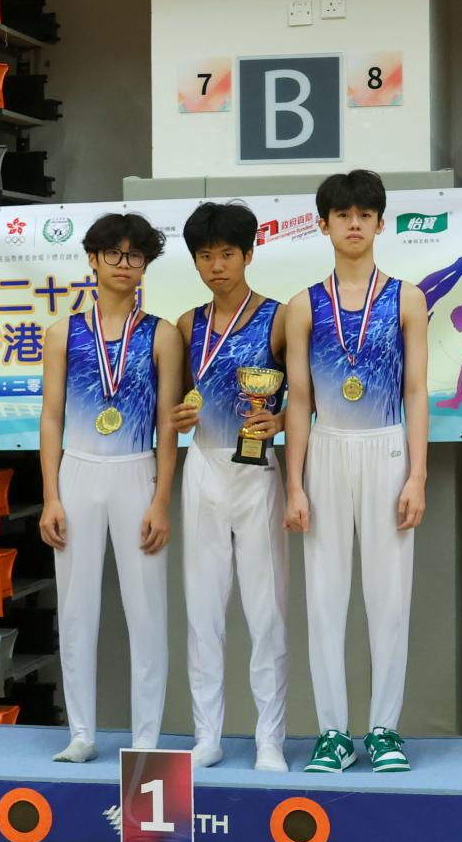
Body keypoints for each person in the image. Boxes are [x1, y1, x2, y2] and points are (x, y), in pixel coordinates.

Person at [282, 170, 429, 774]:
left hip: (387, 446)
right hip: (327, 448)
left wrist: (417, 475)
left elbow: (416, 391)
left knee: (389, 597)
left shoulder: (407, 298)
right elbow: (297, 399)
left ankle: (384, 728)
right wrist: (294, 483)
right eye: (342, 215)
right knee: (324, 596)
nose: (354, 224)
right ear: (323, 225)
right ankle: (333, 733)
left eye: (365, 214)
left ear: (380, 223)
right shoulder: (303, 305)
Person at [38, 213, 180, 762]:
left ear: (146, 264)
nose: (124, 264)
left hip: (136, 470)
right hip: (77, 470)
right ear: (93, 259)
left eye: (135, 255)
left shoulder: (162, 334)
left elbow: (168, 422)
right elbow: (52, 418)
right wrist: (51, 495)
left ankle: (146, 737)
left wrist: (161, 499)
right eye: (114, 254)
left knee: (147, 610)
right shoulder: (62, 333)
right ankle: (82, 733)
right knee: (76, 608)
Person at [168, 202, 289, 772]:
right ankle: (207, 735)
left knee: (266, 611)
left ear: (248, 254)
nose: (216, 266)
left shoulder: (279, 318)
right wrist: (180, 416)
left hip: (257, 469)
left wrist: (281, 420)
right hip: (204, 466)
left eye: (227, 254)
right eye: (205, 256)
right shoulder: (186, 325)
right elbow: (180, 399)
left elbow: (307, 392)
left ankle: (270, 739)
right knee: (203, 609)